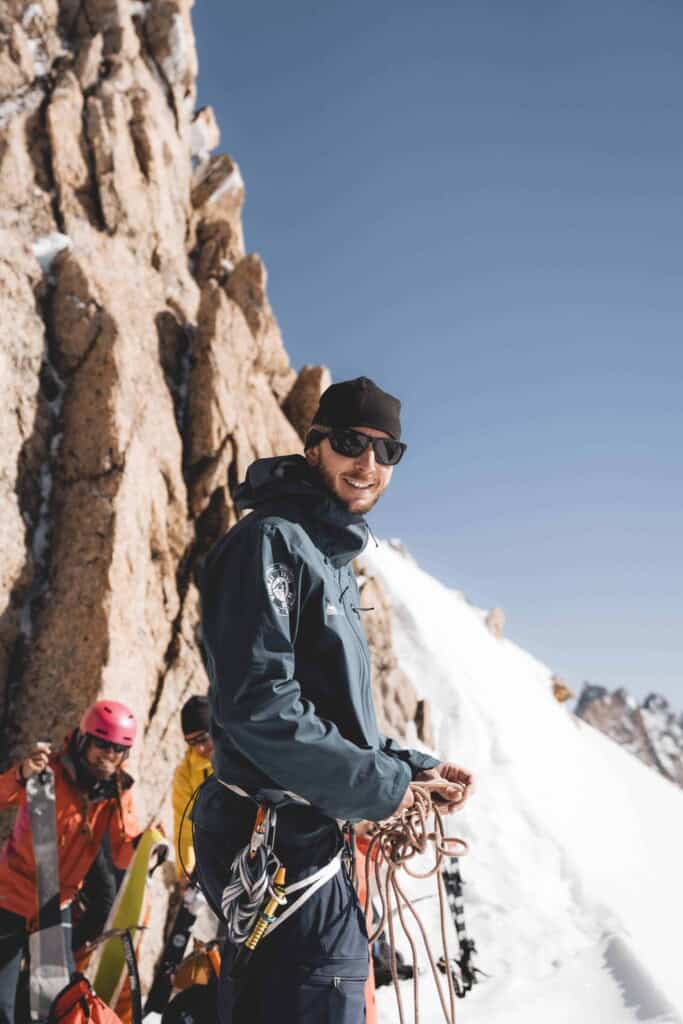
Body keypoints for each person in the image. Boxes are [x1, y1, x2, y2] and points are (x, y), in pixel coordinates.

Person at [192, 376, 476, 1024]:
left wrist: (408, 768)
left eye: (387, 452)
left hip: (311, 847)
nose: (368, 463)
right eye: (351, 442)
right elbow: (258, 703)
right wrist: (380, 786)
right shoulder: (271, 543)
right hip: (282, 849)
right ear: (316, 445)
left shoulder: (326, 557)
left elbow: (329, 713)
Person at [0, 700, 142, 1024]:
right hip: (10, 897)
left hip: (55, 905)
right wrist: (21, 774)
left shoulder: (116, 794)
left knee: (49, 1007)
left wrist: (145, 847)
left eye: (118, 749)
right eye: (102, 745)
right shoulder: (47, 770)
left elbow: (123, 852)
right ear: (83, 740)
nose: (108, 755)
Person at [172, 695, 214, 886]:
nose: (200, 748)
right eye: (192, 743)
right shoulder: (186, 774)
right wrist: (185, 871)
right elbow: (185, 825)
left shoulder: (240, 748)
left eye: (203, 738)